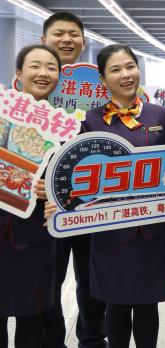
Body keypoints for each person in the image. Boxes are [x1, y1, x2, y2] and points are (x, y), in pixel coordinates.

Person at [66, 44, 165, 348]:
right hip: (110, 228)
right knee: (115, 304)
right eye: (115, 69)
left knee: (147, 303)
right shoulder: (90, 121)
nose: (126, 75)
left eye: (130, 66)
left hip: (152, 228)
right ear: (103, 79)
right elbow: (79, 173)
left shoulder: (160, 115)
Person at [40, 11, 107, 348]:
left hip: (90, 198)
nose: (66, 39)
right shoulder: (28, 89)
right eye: (58, 34)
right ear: (44, 40)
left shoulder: (100, 87)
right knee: (46, 279)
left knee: (92, 276)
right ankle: (52, 339)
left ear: (83, 42)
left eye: (73, 34)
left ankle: (92, 338)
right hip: (43, 203)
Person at [0, 45, 62, 348]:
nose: (43, 73)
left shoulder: (65, 126)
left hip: (35, 235)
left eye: (51, 67)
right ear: (19, 73)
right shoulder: (0, 113)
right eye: (35, 66)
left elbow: (75, 182)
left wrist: (53, 190)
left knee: (32, 317)